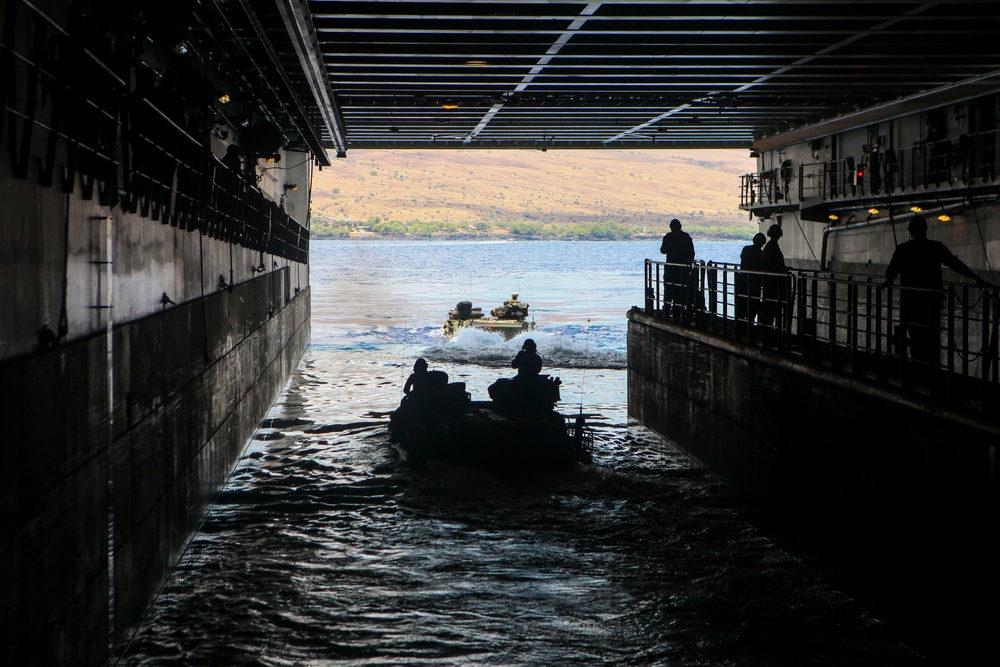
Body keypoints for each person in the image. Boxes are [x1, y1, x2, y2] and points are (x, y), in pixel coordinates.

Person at [883, 215, 992, 364]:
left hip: (910, 305)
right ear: (926, 229)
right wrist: (977, 279)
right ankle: (932, 371)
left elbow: (890, 273)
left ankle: (918, 370)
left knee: (916, 341)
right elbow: (956, 265)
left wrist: (889, 281)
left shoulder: (902, 250)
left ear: (910, 231)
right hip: (931, 304)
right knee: (931, 339)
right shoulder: (936, 248)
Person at [659, 218, 696, 310]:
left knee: (668, 287)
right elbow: (692, 253)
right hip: (684, 268)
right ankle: (681, 306)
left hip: (671, 268)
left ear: (671, 227)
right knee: (682, 287)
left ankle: (667, 306)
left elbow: (663, 250)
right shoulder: (686, 237)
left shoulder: (668, 237)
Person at [759, 224, 788, 327]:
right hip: (773, 283)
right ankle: (770, 329)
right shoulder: (772, 246)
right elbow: (772, 264)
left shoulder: (771, 246)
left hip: (772, 282)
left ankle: (769, 328)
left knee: (771, 307)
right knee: (772, 307)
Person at [736, 232, 766, 322]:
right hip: (755, 283)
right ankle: (751, 321)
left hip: (743, 280)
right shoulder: (761, 254)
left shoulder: (746, 249)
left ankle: (741, 322)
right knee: (753, 304)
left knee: (742, 303)